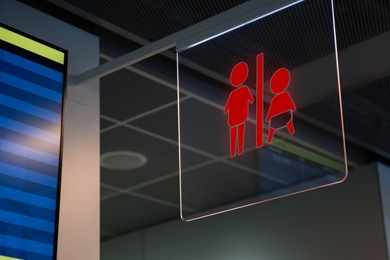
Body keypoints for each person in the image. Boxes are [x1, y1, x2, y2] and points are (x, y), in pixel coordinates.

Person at [224, 62, 254, 158]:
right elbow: (251, 100)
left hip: (234, 117)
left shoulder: (235, 93)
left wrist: (226, 111)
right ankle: (238, 151)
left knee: (235, 134)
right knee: (239, 133)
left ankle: (235, 152)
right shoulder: (244, 90)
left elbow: (227, 107)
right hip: (239, 116)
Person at [266, 68, 296, 143]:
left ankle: (269, 139)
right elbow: (292, 107)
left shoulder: (274, 99)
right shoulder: (285, 95)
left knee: (271, 129)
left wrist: (268, 118)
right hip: (286, 118)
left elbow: (271, 112)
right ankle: (293, 134)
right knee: (289, 124)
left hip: (275, 121)